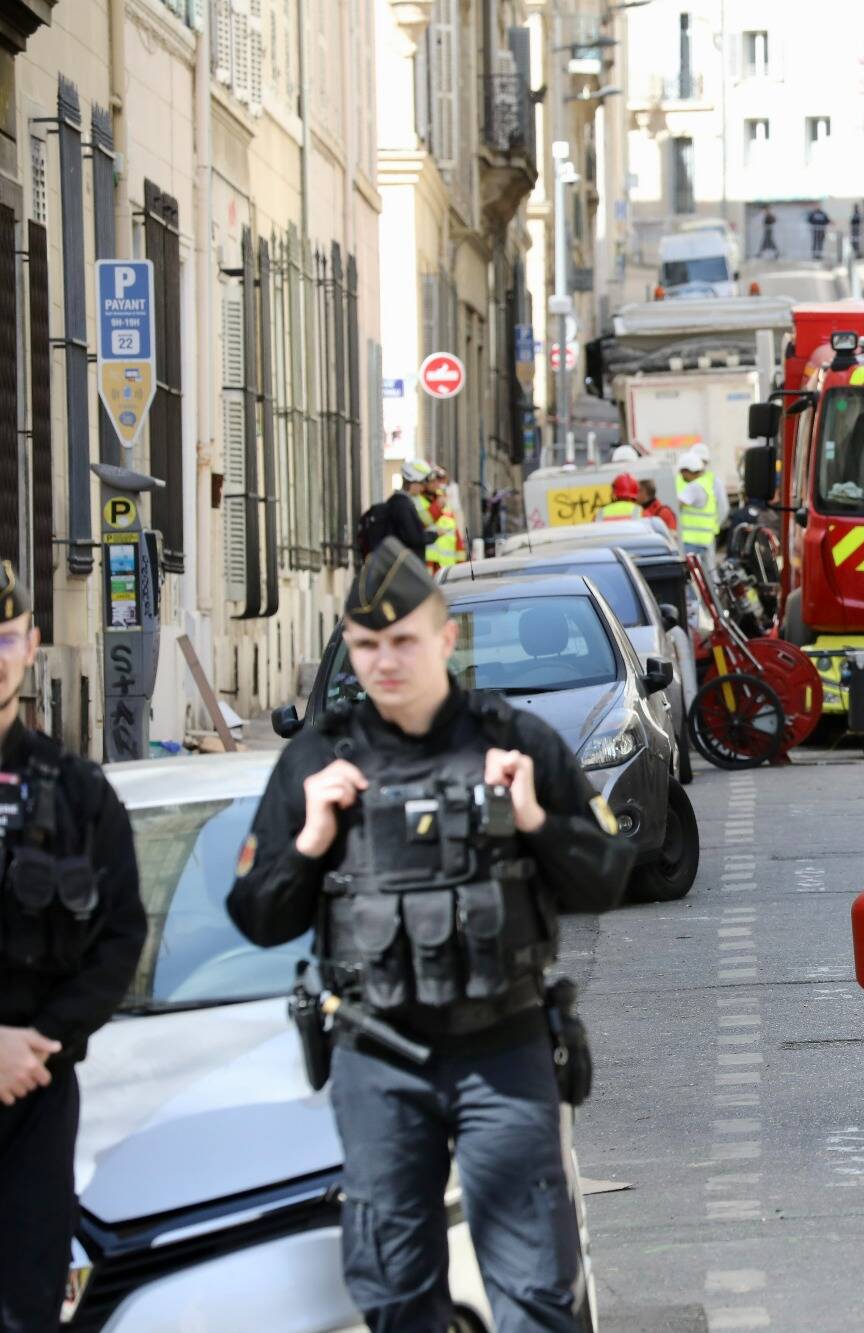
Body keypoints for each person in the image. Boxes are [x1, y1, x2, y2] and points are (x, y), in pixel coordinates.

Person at [227, 540, 634, 1333]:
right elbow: (257, 916)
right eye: (367, 644)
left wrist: (536, 821)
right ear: (349, 647)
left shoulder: (516, 742)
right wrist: (311, 837)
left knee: (537, 1289)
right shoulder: (318, 757)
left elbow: (608, 876)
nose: (386, 660)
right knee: (393, 1287)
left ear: (447, 640)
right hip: (378, 1059)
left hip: (504, 1049)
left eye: (404, 640)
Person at [0, 561, 145, 1331]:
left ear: (33, 643)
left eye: (5, 636)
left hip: (37, 1093)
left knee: (28, 1307)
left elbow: (121, 931)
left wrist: (40, 1043)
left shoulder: (79, 790)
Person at [677, 443, 722, 582]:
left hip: (691, 541)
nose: (682, 475)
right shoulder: (705, 483)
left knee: (691, 580)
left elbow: (676, 504)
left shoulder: (694, 487)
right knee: (706, 576)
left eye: (683, 472)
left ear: (689, 471)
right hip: (704, 539)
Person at [424, 469, 466, 576]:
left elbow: (456, 539)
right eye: (435, 481)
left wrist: (461, 567)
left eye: (441, 481)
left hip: (447, 570)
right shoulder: (423, 503)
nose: (438, 484)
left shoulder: (447, 508)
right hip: (429, 567)